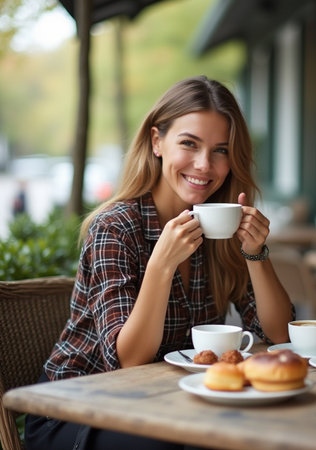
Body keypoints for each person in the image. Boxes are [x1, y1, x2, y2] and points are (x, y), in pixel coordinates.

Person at [25, 75, 294, 449]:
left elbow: (279, 334)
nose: (204, 164)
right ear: (157, 142)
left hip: (170, 403)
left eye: (220, 150)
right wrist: (160, 266)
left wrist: (255, 253)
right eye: (189, 144)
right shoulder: (115, 228)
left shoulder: (219, 226)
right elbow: (129, 361)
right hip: (76, 409)